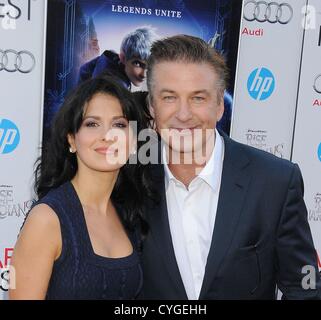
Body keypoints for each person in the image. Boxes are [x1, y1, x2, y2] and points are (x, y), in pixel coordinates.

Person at [141, 35, 321, 300]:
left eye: (198, 98)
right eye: (169, 97)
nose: (183, 114)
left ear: (219, 107)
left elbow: (305, 283)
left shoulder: (275, 181)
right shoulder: (128, 180)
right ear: (152, 107)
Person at [9, 76, 151, 299]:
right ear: (72, 140)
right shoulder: (47, 219)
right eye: (92, 124)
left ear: (133, 142)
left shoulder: (129, 212)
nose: (107, 136)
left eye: (119, 124)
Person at [78, 26, 158, 90]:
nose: (144, 74)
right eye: (137, 64)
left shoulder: (109, 60)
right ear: (123, 58)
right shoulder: (115, 88)